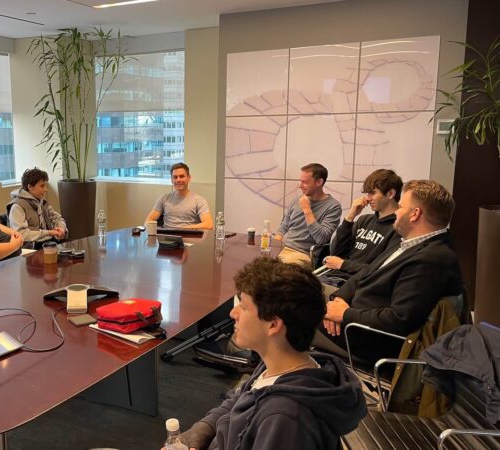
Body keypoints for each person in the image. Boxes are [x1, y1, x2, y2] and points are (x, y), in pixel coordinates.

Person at [176, 258, 366, 450]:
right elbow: (242, 399)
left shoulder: (286, 420)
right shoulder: (280, 364)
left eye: (243, 306)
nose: (233, 313)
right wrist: (205, 428)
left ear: (273, 325)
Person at [319, 180, 464, 363]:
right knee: (294, 295)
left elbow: (399, 319)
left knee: (287, 312)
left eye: (401, 206)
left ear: (415, 214)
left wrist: (344, 315)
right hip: (355, 319)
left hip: (368, 339)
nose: (397, 211)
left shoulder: (432, 259)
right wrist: (339, 300)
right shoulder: (408, 243)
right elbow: (364, 274)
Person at [320, 169, 402, 286]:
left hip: (360, 284)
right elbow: (336, 253)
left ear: (390, 194)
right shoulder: (364, 220)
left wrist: (343, 264)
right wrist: (350, 217)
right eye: (367, 193)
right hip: (336, 277)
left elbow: (381, 270)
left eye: (372, 193)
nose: (367, 198)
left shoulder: (399, 228)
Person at [275, 163, 342, 266]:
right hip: (282, 248)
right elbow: (283, 227)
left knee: (277, 270)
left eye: (305, 182)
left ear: (319, 182)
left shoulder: (333, 207)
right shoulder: (296, 200)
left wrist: (307, 209)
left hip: (302, 253)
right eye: (300, 181)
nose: (300, 186)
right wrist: (274, 246)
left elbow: (321, 239)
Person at [7, 167, 67, 245]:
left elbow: (58, 218)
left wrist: (61, 228)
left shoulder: (43, 203)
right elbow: (21, 235)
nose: (46, 189)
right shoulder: (17, 207)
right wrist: (49, 233)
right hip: (30, 250)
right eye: (42, 186)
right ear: (30, 187)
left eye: (45, 185)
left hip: (48, 244)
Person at [145, 162, 214, 230]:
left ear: (189, 178)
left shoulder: (199, 200)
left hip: (189, 238)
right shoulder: (164, 198)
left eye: (181, 176)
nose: (178, 180)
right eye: (175, 177)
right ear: (172, 180)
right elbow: (149, 220)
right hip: (167, 238)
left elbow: (209, 225)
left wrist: (180, 230)